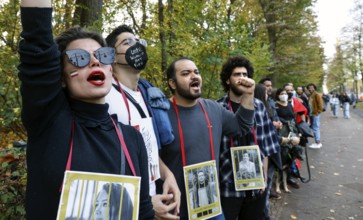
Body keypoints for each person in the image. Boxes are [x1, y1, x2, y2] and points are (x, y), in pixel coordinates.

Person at [18, 1, 153, 219]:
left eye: (103, 55)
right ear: (61, 76)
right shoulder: (49, 122)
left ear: (111, 68)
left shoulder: (133, 139)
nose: (94, 61)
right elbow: (38, 42)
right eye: (80, 58)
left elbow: (143, 210)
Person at [159, 57, 255, 219]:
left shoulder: (214, 108)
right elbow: (147, 154)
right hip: (174, 207)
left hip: (209, 205)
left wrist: (248, 94)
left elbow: (241, 126)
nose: (194, 76)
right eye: (186, 73)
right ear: (172, 83)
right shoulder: (160, 113)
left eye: (196, 72)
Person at [105, 25, 180, 219]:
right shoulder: (105, 96)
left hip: (153, 198)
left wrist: (167, 175)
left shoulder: (146, 95)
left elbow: (146, 147)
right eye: (127, 42)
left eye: (139, 42)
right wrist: (142, 203)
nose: (136, 46)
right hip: (126, 206)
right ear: (112, 56)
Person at [218, 57, 280, 220]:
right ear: (227, 79)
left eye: (245, 74)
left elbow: (265, 146)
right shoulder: (218, 108)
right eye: (237, 74)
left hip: (255, 184)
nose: (242, 78)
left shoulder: (260, 107)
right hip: (227, 184)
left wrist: (264, 178)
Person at [306, 83, 324, 149]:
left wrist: (317, 112)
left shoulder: (316, 94)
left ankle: (318, 142)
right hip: (312, 114)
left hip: (315, 114)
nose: (310, 89)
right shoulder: (311, 95)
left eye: (311, 87)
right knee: (314, 127)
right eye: (309, 87)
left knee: (316, 128)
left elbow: (320, 105)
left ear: (314, 88)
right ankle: (317, 141)